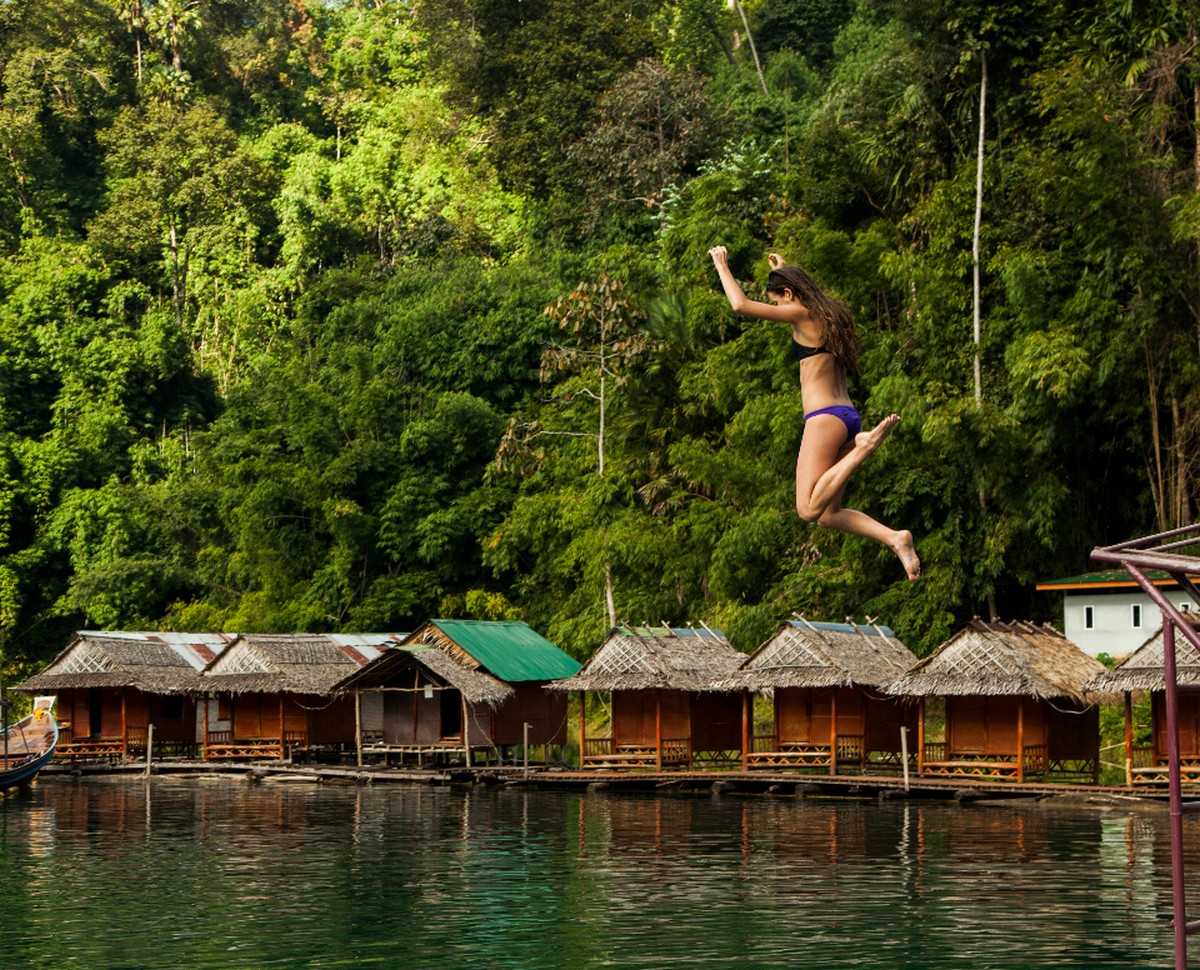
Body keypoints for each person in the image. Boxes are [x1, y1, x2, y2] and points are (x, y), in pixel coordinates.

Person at [708, 245, 920, 580]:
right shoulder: (831, 312)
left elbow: (740, 305)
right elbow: (797, 291)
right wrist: (785, 268)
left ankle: (863, 448)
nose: (779, 307)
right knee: (827, 515)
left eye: (779, 300)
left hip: (823, 420)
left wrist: (722, 265)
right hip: (847, 416)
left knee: (807, 510)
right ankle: (895, 538)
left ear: (791, 294)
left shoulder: (801, 313)